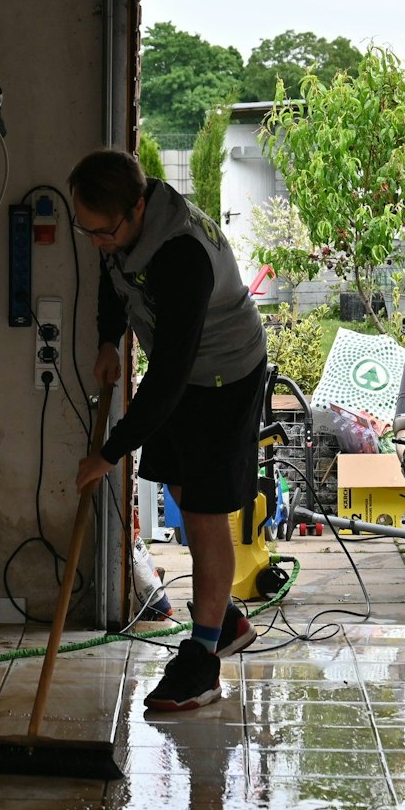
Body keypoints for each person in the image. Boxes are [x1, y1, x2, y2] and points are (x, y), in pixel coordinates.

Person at [69, 148, 268, 712]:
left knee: (206, 519)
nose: (96, 242)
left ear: (136, 209)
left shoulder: (182, 255)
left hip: (223, 376)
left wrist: (110, 452)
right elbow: (114, 278)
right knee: (181, 490)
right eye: (87, 231)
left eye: (103, 231)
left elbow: (170, 376)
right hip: (183, 370)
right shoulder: (122, 231)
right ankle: (224, 618)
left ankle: (203, 662)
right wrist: (109, 339)